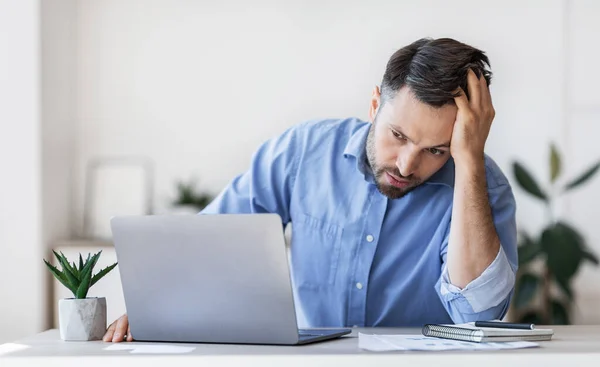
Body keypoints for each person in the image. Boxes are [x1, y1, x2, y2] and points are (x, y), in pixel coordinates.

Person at [104, 37, 517, 343]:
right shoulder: (303, 153)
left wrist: (468, 163)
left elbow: (478, 316)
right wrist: (156, 310)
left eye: (435, 150)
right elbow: (210, 244)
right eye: (398, 135)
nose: (408, 165)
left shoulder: (483, 187)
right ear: (374, 105)